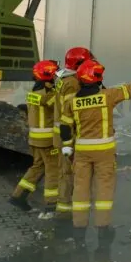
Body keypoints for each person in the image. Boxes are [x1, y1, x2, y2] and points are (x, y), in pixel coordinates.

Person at [59, 60, 131, 249]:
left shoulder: (71, 100)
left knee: (80, 190)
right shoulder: (108, 95)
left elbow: (65, 126)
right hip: (104, 152)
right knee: (104, 190)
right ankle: (103, 230)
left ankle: (79, 231)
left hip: (82, 152)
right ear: (97, 78)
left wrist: (66, 147)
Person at [8, 59, 61, 211]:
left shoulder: (34, 92)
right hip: (47, 140)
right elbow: (61, 104)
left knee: (38, 167)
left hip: (35, 139)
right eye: (55, 73)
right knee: (53, 169)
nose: (57, 76)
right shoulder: (48, 95)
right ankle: (52, 203)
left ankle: (18, 196)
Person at [53, 46, 94, 222]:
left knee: (66, 173)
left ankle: (66, 208)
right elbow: (71, 112)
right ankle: (64, 213)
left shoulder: (64, 79)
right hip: (67, 136)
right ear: (78, 63)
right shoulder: (73, 83)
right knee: (69, 174)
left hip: (63, 135)